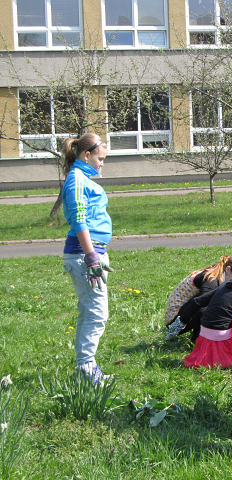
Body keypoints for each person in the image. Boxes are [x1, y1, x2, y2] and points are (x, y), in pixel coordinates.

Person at [61, 133, 113, 384]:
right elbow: (79, 221)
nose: (101, 164)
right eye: (99, 159)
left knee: (89, 310)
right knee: (97, 313)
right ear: (86, 155)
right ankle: (86, 368)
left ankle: (85, 365)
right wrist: (91, 255)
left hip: (91, 252)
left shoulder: (82, 178)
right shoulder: (77, 181)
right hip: (85, 255)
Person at [184, 267, 232, 369]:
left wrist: (180, 321)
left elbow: (199, 301)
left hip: (204, 332)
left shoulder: (227, 284)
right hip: (222, 336)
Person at [164, 256, 232, 341]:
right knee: (210, 307)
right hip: (175, 319)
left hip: (182, 313)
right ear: (228, 269)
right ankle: (198, 339)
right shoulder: (212, 280)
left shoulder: (217, 274)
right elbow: (200, 305)